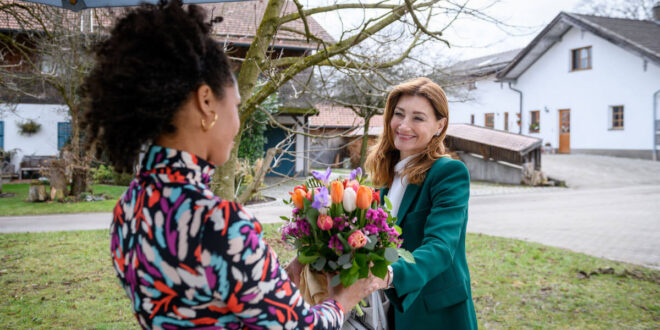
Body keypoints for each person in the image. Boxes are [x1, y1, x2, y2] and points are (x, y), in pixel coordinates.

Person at [81, 1, 382, 328]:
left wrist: (280, 277)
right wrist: (345, 298)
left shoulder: (127, 209)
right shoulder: (219, 223)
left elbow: (203, 298)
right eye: (235, 106)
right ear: (207, 101)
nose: (238, 122)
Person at [365, 77, 478, 329]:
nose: (404, 125)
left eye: (418, 118)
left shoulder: (448, 172)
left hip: (435, 314)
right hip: (389, 310)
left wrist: (392, 274)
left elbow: (441, 247)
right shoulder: (385, 178)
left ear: (440, 125)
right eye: (399, 114)